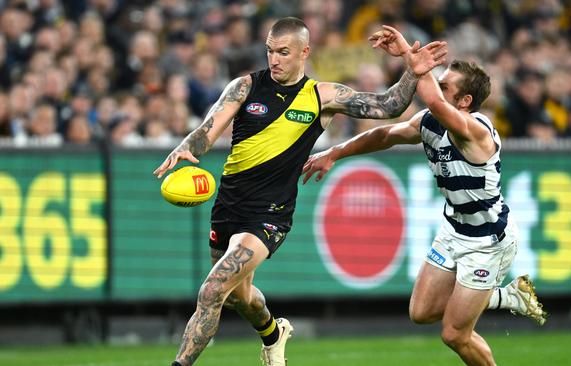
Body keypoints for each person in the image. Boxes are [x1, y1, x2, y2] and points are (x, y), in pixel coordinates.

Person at [153, 17, 448, 366]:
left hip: (270, 214)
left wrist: (411, 71)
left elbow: (387, 106)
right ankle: (273, 333)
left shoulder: (322, 96)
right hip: (229, 206)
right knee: (239, 296)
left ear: (304, 52)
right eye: (269, 51)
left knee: (213, 289)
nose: (274, 59)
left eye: (283, 52)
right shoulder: (244, 87)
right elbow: (207, 129)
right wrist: (187, 147)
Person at [302, 25, 547, 366]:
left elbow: (430, 95)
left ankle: (496, 302)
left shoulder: (475, 130)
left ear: (465, 102)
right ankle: (507, 296)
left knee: (454, 334)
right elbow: (385, 135)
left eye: (445, 84)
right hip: (453, 230)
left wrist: (409, 56)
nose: (435, 85)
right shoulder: (430, 121)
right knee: (421, 312)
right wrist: (334, 153)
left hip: (488, 239)